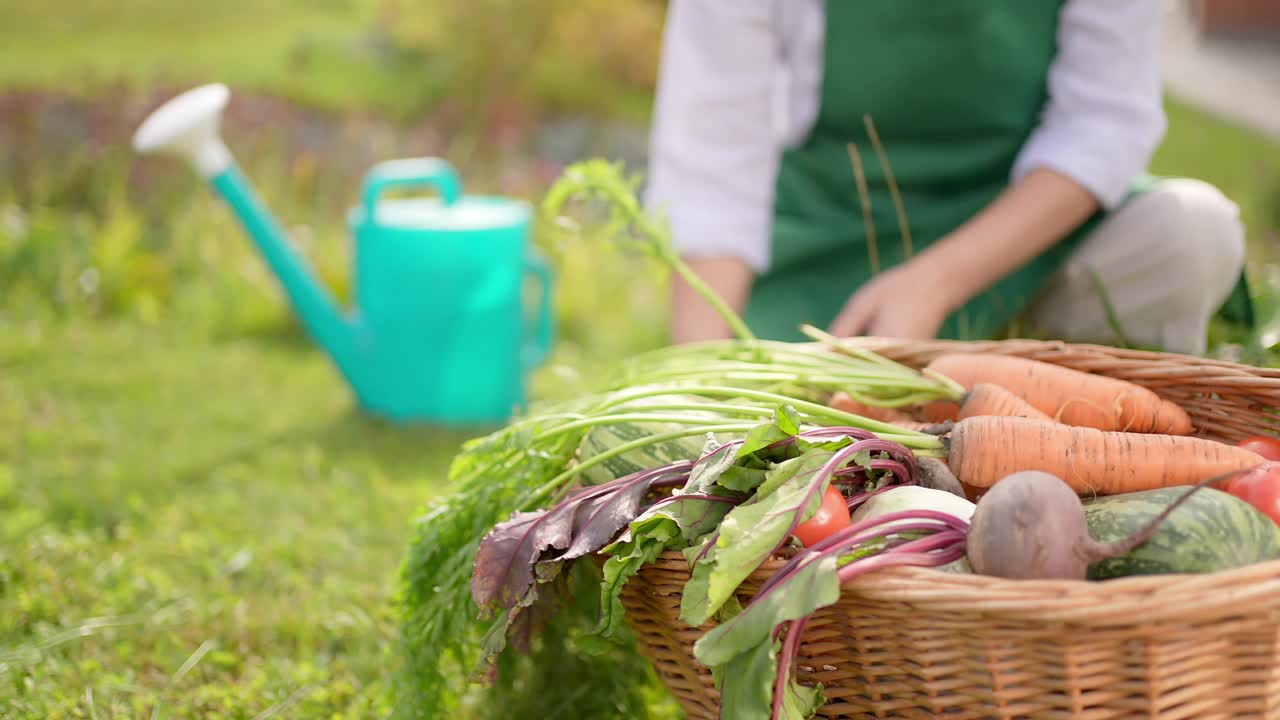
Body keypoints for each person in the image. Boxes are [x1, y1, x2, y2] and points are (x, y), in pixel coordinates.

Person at [643, 1, 1252, 355]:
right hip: (829, 257)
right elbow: (713, 160)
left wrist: (935, 283)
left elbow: (1105, 121)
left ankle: (1082, 433)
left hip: (1027, 243)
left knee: (1191, 233)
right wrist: (703, 379)